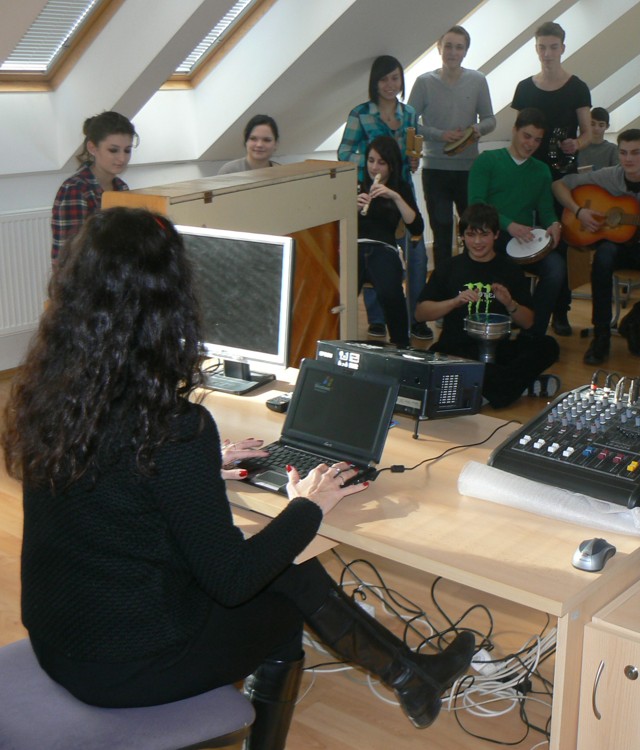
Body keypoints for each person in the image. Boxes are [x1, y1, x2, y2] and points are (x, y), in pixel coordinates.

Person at [1, 207, 474, 749]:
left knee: (285, 565)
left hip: (58, 640)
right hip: (123, 670)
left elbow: (114, 485)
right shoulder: (173, 430)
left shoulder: (49, 396)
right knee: (281, 594)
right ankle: (406, 679)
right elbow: (234, 579)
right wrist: (309, 505)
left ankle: (412, 677)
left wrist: (195, 470)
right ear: (171, 304)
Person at [553, 128, 640, 365]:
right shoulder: (608, 176)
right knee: (603, 258)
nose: (628, 159)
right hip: (616, 244)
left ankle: (632, 322)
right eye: (623, 152)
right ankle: (601, 335)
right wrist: (579, 211)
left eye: (635, 153)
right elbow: (559, 185)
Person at [415, 204, 560, 406]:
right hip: (458, 348)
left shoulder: (510, 269)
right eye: (470, 235)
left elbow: (528, 323)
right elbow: (420, 314)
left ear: (496, 235)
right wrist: (454, 302)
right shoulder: (449, 267)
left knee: (548, 346)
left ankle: (485, 387)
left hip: (498, 348)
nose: (477, 242)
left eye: (484, 235)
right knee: (431, 359)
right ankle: (514, 387)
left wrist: (510, 303)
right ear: (462, 236)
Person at [339, 56, 431, 341]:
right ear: (374, 82)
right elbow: (344, 153)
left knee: (416, 254)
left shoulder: (409, 113)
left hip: (400, 189)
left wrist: (411, 161)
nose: (390, 85)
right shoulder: (360, 113)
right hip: (369, 188)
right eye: (383, 79)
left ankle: (415, 318)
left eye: (395, 78)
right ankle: (376, 320)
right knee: (370, 248)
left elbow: (412, 151)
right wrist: (375, 161)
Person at [511, 21, 592, 336]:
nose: (547, 53)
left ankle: (560, 311)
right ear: (536, 49)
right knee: (522, 237)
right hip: (526, 173)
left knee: (560, 242)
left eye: (553, 47)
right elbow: (518, 133)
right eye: (542, 47)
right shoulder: (524, 88)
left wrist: (577, 144)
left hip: (561, 175)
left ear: (562, 48)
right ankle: (523, 308)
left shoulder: (577, 87)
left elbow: (587, 133)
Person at [467, 107, 565, 338]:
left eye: (537, 140)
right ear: (514, 130)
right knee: (500, 274)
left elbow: (546, 210)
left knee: (556, 268)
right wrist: (509, 225)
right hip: (492, 237)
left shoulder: (541, 171)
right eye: (527, 136)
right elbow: (475, 205)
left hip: (524, 241)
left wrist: (554, 224)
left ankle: (533, 333)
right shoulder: (488, 160)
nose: (531, 144)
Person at [408, 25, 496, 273]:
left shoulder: (478, 80)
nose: (453, 52)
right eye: (448, 46)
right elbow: (409, 123)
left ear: (466, 51)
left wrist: (476, 130)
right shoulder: (424, 82)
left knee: (473, 231)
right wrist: (440, 134)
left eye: (459, 47)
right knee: (442, 231)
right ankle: (444, 285)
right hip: (435, 169)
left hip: (469, 170)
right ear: (439, 48)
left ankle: (471, 281)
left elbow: (490, 119)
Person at [356, 136, 422, 349]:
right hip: (354, 247)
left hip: (383, 248)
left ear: (391, 166)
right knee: (339, 294)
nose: (374, 167)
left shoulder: (400, 188)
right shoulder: (357, 185)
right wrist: (351, 208)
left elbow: (417, 227)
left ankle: (401, 344)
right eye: (371, 160)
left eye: (381, 162)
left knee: (390, 292)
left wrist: (395, 197)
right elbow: (335, 224)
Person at [50, 111, 136, 266]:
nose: (122, 158)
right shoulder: (76, 189)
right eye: (113, 150)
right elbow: (69, 256)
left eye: (127, 150)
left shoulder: (121, 187)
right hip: (85, 276)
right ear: (92, 148)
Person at [577, 107, 618, 171]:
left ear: (607, 126)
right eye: (592, 124)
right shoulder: (578, 146)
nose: (596, 128)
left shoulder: (613, 149)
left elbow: (617, 173)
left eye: (601, 125)